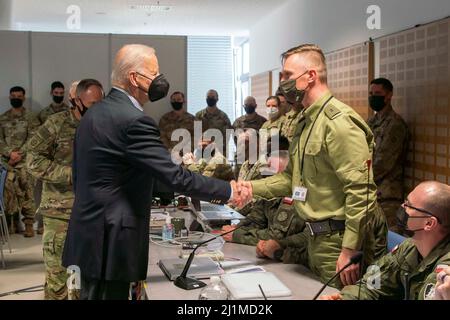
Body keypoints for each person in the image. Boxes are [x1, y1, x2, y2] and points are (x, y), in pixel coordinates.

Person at [62, 44, 238, 300]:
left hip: (90, 233)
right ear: (134, 78)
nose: (159, 80)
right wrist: (229, 190)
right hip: (111, 240)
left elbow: (86, 175)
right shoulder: (134, 119)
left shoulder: (95, 111)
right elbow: (175, 177)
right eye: (153, 73)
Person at [236, 44, 385, 288]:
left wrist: (350, 249)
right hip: (313, 236)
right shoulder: (306, 121)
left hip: (338, 242)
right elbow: (290, 179)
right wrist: (250, 187)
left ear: (311, 76)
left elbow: (362, 192)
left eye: (287, 76)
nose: (282, 83)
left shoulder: (338, 122)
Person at [26, 79, 104, 300]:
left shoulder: (102, 125)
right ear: (76, 101)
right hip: (59, 214)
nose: (95, 108)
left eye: (100, 103)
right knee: (58, 280)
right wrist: (70, 174)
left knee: (80, 280)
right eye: (91, 103)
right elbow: (32, 160)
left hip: (91, 214)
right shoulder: (56, 123)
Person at [320, 181, 450, 300]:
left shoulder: (445, 271)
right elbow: (372, 286)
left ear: (429, 223)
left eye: (409, 205)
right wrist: (345, 298)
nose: (402, 207)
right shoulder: (409, 247)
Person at [222, 146, 304, 247]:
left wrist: (238, 236)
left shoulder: (295, 195)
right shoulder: (269, 190)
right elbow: (255, 219)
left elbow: (276, 236)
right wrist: (237, 228)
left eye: (272, 168)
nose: (267, 173)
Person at [367, 78, 409, 233]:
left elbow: (383, 164)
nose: (373, 97)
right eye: (371, 93)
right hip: (371, 193)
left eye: (378, 93)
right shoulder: (372, 121)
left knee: (384, 241)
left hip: (387, 198)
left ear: (389, 95)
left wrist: (358, 178)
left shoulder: (395, 124)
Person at [0, 86, 39, 237]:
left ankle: (29, 223)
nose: (16, 98)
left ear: (23, 98)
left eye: (19, 96)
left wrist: (20, 154)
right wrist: (10, 153)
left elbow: (34, 139)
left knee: (27, 189)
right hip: (7, 162)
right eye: (13, 95)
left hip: (25, 161)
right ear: (10, 97)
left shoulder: (31, 117)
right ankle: (12, 223)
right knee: (8, 191)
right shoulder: (2, 118)